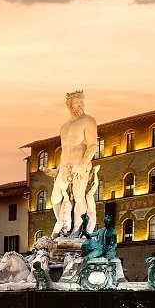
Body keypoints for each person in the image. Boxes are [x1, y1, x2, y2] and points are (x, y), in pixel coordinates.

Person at [51, 91, 99, 237]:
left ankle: (78, 229)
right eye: (78, 102)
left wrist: (83, 164)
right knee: (55, 198)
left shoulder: (88, 120)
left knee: (79, 196)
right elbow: (64, 150)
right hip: (65, 166)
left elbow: (92, 145)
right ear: (69, 104)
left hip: (80, 163)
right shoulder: (64, 126)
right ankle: (64, 226)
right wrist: (57, 169)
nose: (81, 105)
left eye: (82, 102)